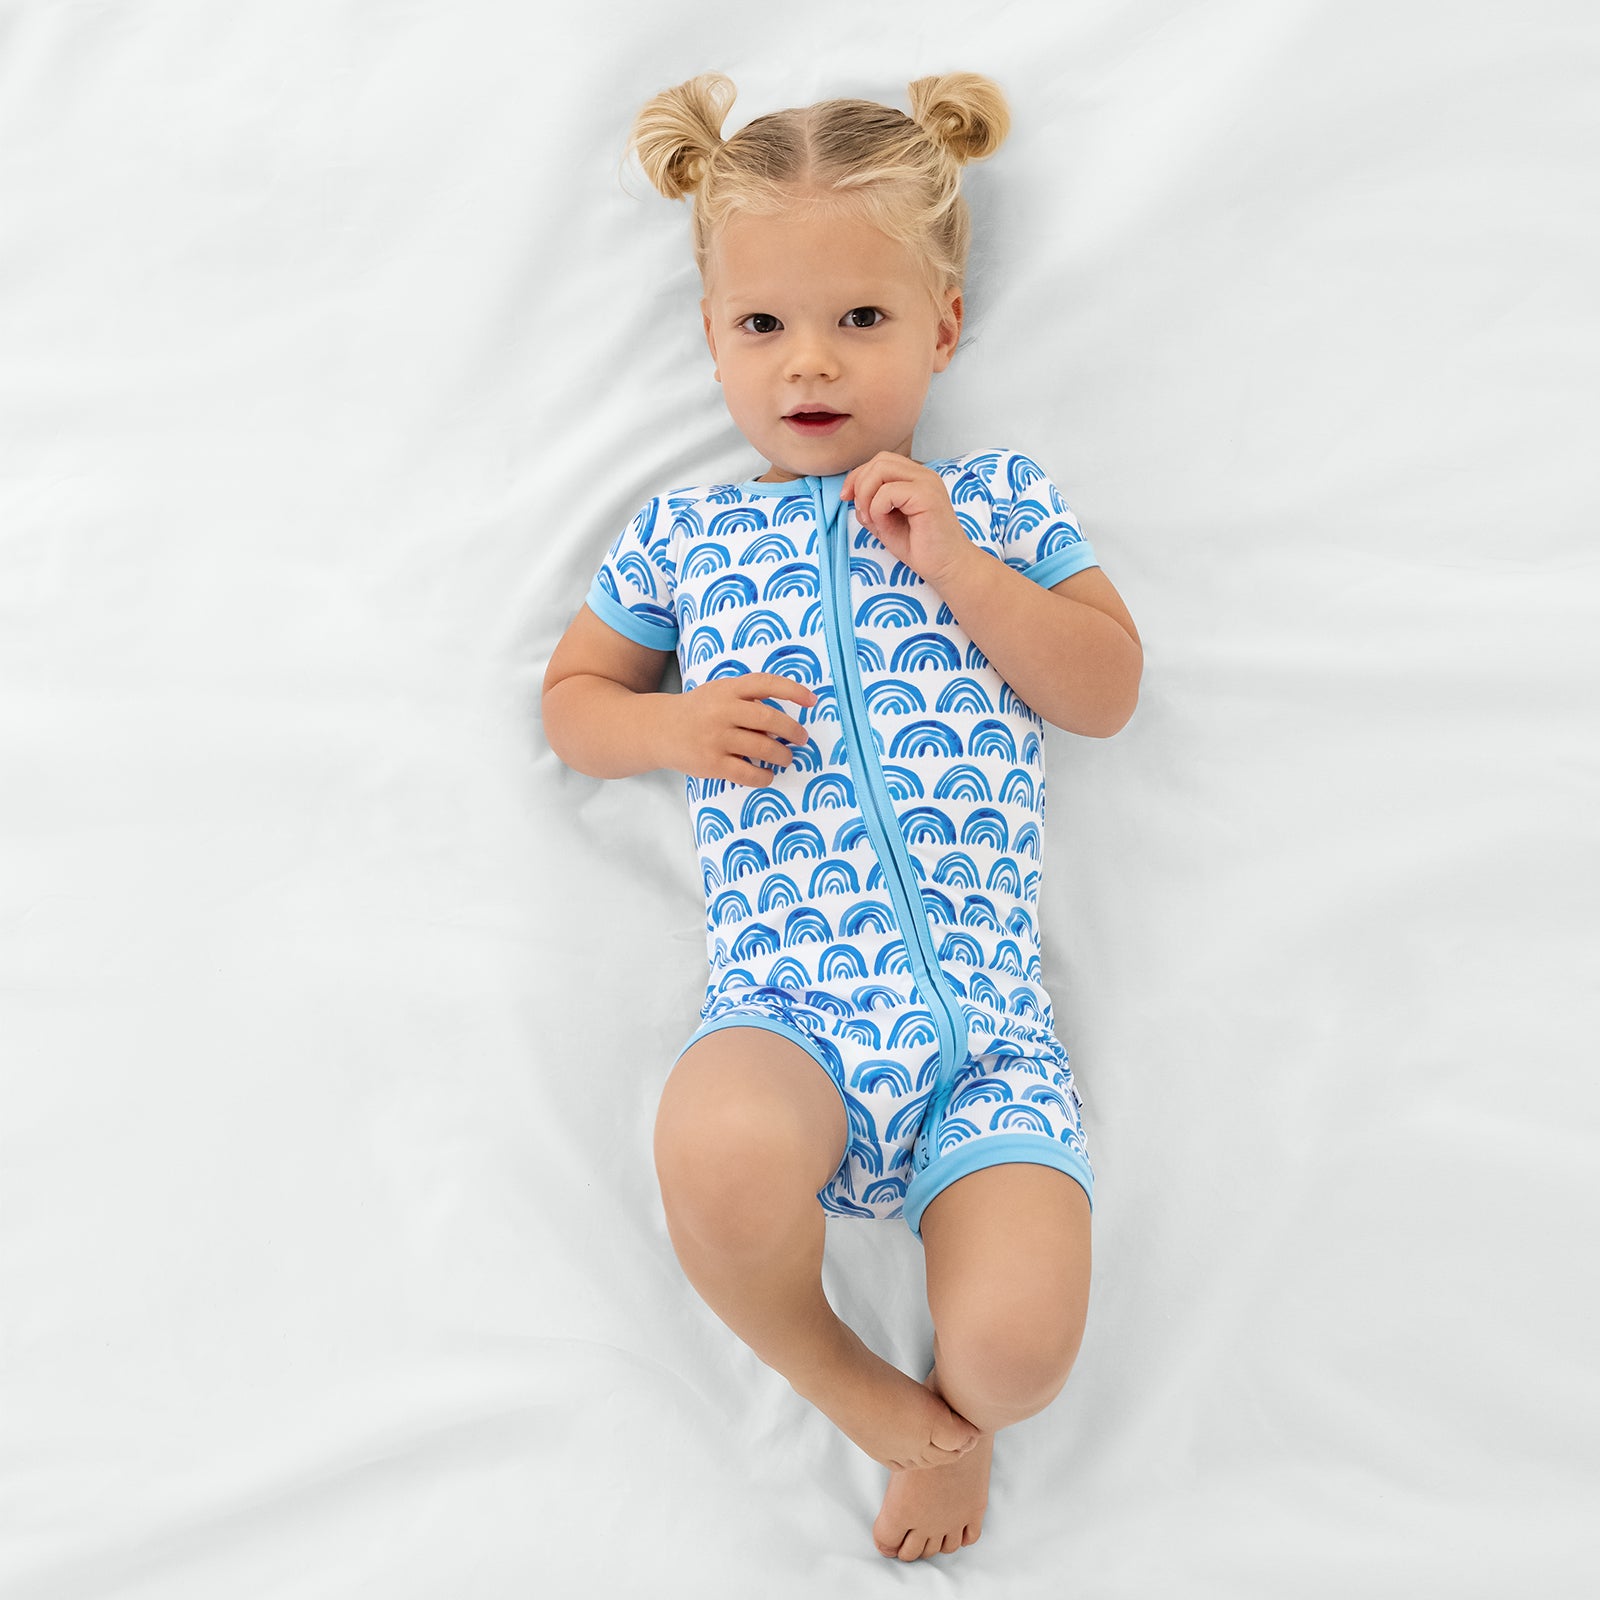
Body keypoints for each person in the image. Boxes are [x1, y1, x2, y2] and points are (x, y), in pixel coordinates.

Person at [541, 70, 1142, 1564]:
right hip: (791, 1010)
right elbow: (573, 703)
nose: (809, 360)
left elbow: (1106, 689)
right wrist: (671, 725)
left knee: (1021, 1353)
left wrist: (966, 572)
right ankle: (853, 1386)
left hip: (986, 1040)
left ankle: (964, 1416)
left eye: (861, 318)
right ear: (711, 336)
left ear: (943, 324)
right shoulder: (686, 534)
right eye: (763, 325)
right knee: (715, 1152)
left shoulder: (997, 503)